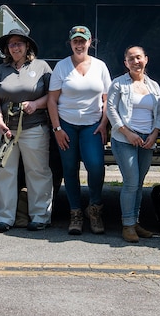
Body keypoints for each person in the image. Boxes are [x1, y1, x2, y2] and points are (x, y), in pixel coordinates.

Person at [48, 25, 112, 235]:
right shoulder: (61, 67)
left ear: (89, 42)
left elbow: (107, 99)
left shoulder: (100, 66)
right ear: (70, 43)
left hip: (92, 125)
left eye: (82, 41)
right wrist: (57, 128)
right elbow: (52, 100)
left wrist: (104, 123)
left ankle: (94, 209)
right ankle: (75, 212)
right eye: (75, 41)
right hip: (66, 124)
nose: (79, 45)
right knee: (69, 169)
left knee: (95, 166)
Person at [0, 28, 53, 232]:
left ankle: (40, 216)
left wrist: (36, 104)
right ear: (7, 49)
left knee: (38, 171)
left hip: (34, 127)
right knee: (4, 172)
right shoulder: (0, 70)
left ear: (27, 47)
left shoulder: (42, 67)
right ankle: (5, 217)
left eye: (19, 43)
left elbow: (53, 96)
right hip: (5, 129)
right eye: (11, 44)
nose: (15, 47)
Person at [107, 45, 160, 243]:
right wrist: (127, 133)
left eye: (138, 57)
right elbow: (111, 110)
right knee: (131, 182)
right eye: (131, 59)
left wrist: (155, 134)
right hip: (124, 139)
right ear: (125, 63)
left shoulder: (154, 86)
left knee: (139, 183)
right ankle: (127, 225)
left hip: (147, 140)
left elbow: (159, 114)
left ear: (146, 59)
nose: (135, 62)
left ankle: (136, 222)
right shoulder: (118, 84)